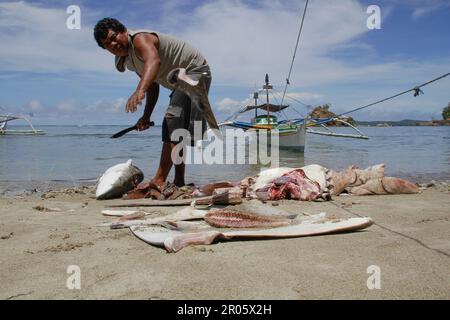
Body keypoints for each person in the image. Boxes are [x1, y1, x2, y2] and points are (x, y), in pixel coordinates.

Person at [93, 18, 218, 189]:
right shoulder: (129, 61)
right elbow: (152, 86)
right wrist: (146, 116)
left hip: (193, 71)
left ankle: (159, 180)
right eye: (108, 44)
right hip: (179, 81)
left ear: (123, 31)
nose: (114, 44)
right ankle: (179, 182)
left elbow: (154, 61)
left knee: (172, 121)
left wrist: (139, 90)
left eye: (114, 37)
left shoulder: (139, 39)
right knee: (174, 127)